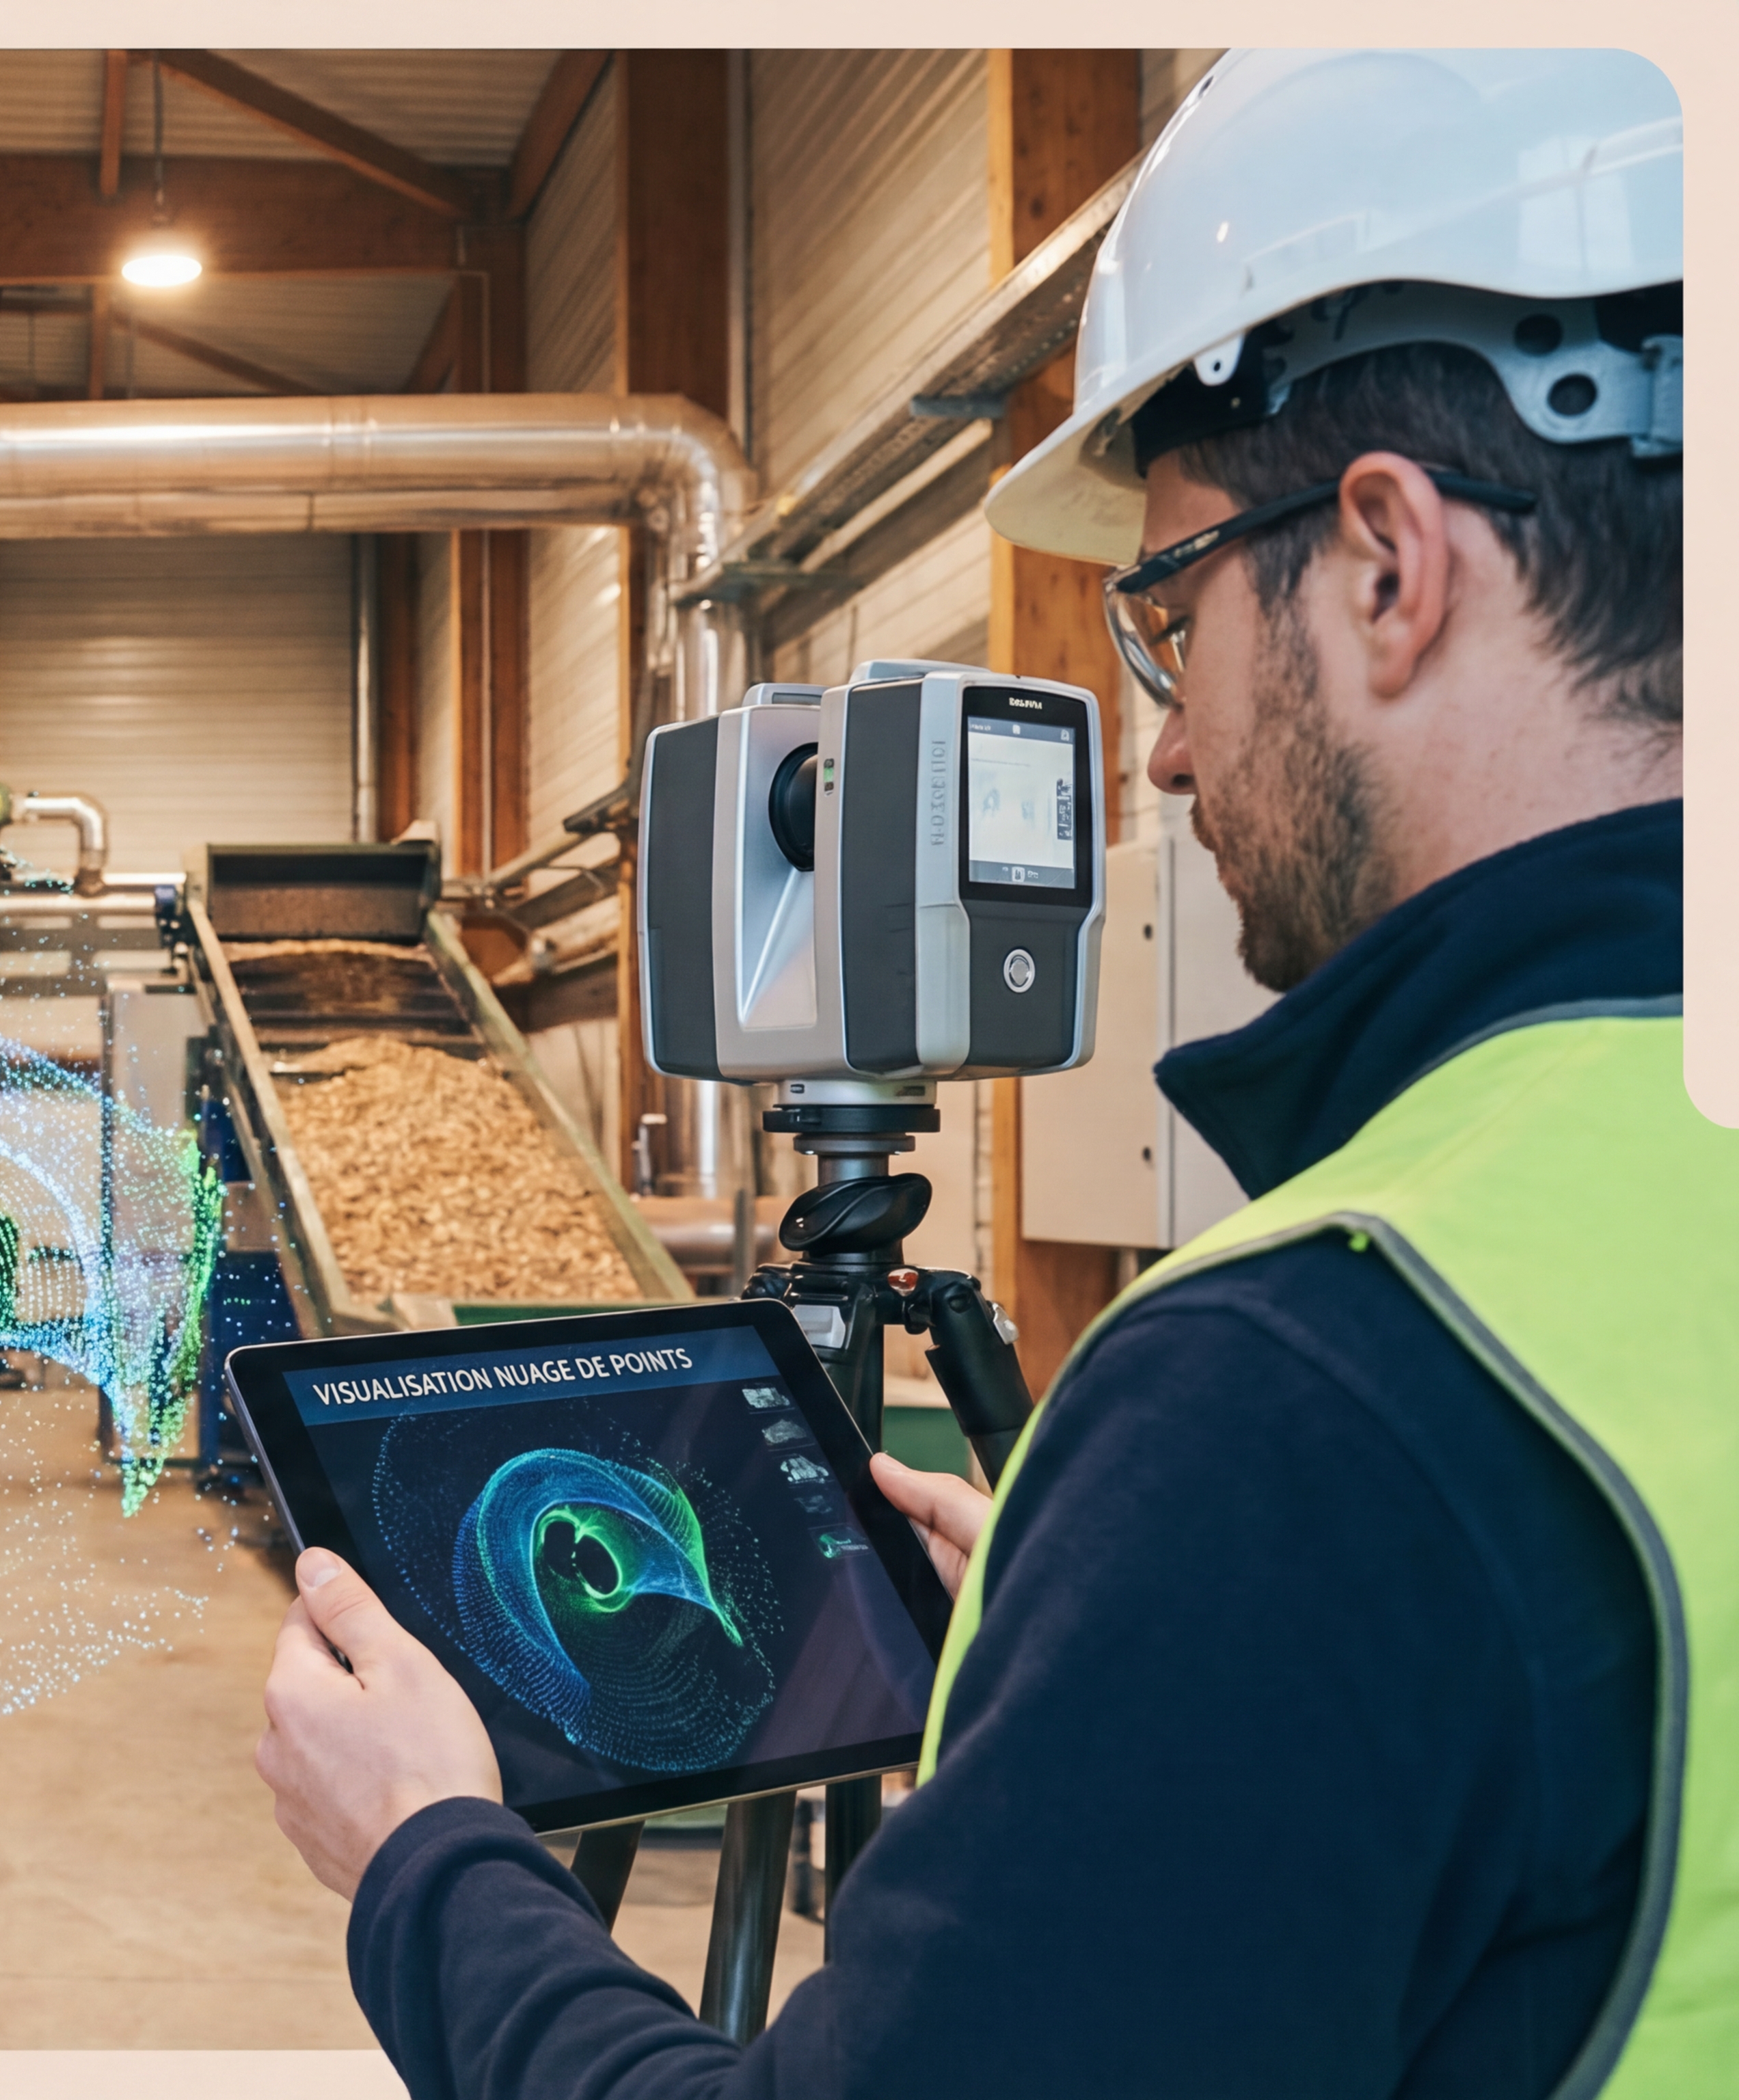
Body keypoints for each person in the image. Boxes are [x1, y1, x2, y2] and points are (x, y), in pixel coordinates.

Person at [253, 48, 1723, 2099]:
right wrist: (1110, 1679)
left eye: (1171, 617)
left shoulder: (1316, 1390)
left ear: (1388, 566)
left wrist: (428, 1856)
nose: (1171, 750)